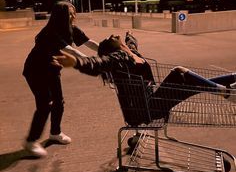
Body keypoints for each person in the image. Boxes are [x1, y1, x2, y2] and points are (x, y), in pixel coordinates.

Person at [52, 32, 236, 123]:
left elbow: (131, 45)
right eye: (110, 38)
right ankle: (227, 93)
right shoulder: (118, 58)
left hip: (151, 100)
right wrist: (76, 62)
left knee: (191, 83)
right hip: (145, 109)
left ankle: (231, 81)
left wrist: (128, 39)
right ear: (113, 47)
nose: (112, 35)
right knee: (180, 73)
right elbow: (99, 63)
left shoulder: (130, 52)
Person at [23, 0, 99, 157]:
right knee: (45, 105)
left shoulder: (71, 28)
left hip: (52, 69)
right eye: (69, 13)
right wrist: (92, 62)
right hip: (35, 70)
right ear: (60, 16)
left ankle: (55, 133)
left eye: (73, 12)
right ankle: (31, 141)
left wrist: (108, 50)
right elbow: (71, 50)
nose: (73, 16)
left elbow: (89, 42)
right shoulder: (51, 31)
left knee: (59, 101)